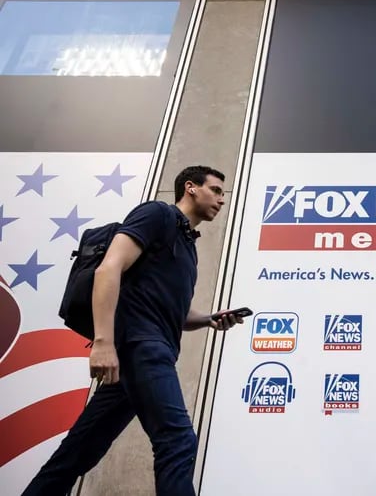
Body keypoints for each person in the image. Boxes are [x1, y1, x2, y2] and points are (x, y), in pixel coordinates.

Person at [22, 165, 245, 496]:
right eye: (216, 190)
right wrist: (102, 342)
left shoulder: (188, 247)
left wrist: (210, 318)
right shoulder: (157, 214)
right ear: (191, 188)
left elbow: (175, 313)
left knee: (77, 454)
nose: (221, 200)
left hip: (144, 356)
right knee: (177, 439)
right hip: (141, 348)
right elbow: (109, 267)